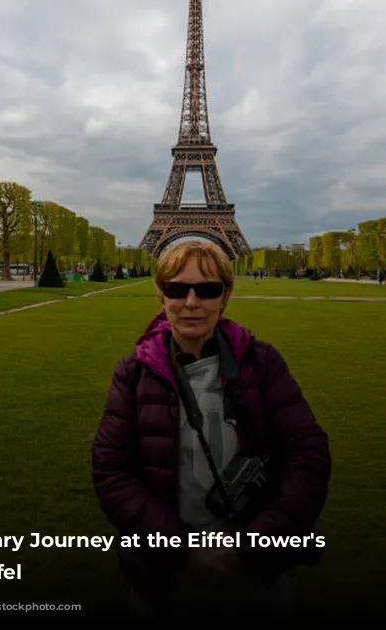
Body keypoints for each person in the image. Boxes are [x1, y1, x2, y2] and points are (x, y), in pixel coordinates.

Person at [92, 240, 331, 626]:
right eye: (176, 288)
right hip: (168, 572)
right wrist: (182, 551)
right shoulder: (132, 374)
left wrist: (252, 547)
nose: (191, 302)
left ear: (225, 296)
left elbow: (308, 456)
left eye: (207, 289)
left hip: (252, 570)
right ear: (160, 294)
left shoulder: (264, 363)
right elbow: (111, 472)